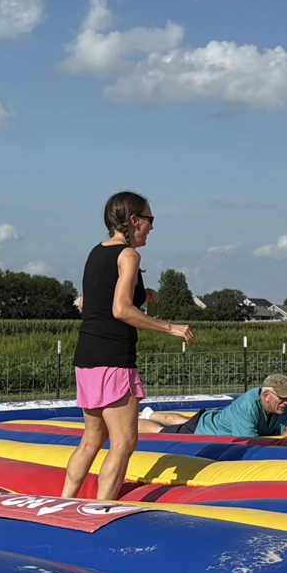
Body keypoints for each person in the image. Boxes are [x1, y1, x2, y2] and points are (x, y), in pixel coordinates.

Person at [62, 191, 194, 502]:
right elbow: (120, 310)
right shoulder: (129, 255)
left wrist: (143, 294)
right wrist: (169, 327)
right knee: (124, 442)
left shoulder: (96, 253)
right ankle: (103, 506)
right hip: (113, 357)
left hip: (87, 355)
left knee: (92, 439)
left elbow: (91, 301)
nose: (151, 227)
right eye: (149, 219)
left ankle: (64, 500)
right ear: (133, 221)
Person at [138, 374, 287, 437]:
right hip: (204, 429)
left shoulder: (280, 406)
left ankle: (148, 414)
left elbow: (281, 428)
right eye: (283, 398)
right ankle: (130, 422)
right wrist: (285, 436)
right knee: (160, 431)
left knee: (183, 422)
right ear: (266, 396)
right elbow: (249, 443)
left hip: (211, 419)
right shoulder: (247, 406)